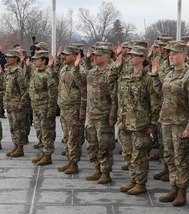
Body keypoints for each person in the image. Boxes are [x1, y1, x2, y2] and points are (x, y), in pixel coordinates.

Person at [156, 42, 189, 207]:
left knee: (181, 158)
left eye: (175, 53)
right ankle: (173, 187)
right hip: (166, 121)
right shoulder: (168, 74)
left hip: (181, 124)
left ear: (184, 56)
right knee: (169, 157)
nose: (171, 56)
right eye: (170, 53)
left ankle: (182, 191)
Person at [114, 46, 160, 195]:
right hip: (125, 121)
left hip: (140, 123)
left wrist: (153, 123)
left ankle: (141, 183)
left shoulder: (148, 78)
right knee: (127, 154)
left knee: (139, 155)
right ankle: (133, 180)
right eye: (130, 55)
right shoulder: (126, 76)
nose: (131, 58)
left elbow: (155, 101)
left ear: (143, 58)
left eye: (135, 56)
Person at [84, 47, 118, 184]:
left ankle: (105, 172)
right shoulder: (91, 73)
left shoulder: (111, 74)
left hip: (104, 116)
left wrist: (112, 116)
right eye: (94, 56)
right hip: (92, 116)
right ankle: (97, 168)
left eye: (98, 56)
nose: (95, 58)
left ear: (107, 57)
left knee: (105, 146)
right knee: (92, 145)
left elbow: (115, 98)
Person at [55, 46, 87, 174]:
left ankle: (74, 163)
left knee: (74, 137)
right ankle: (69, 161)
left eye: (67, 55)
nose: (64, 57)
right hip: (64, 108)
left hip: (74, 109)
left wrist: (82, 111)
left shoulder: (80, 71)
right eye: (64, 55)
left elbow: (84, 91)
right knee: (68, 137)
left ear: (75, 57)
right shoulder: (64, 69)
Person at [28, 50, 58, 165]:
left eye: (36, 60)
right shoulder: (35, 72)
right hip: (36, 108)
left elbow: (53, 94)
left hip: (45, 108)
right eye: (33, 60)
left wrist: (51, 110)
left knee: (47, 133)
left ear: (43, 61)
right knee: (39, 132)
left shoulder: (48, 74)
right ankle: (43, 153)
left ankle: (48, 155)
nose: (34, 61)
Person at [2, 49, 29, 157]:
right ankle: (15, 146)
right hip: (10, 104)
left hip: (17, 104)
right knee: (13, 127)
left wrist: (22, 103)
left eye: (10, 57)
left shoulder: (18, 71)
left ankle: (20, 148)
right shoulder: (8, 70)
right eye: (7, 57)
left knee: (19, 127)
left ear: (15, 59)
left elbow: (25, 90)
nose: (7, 59)